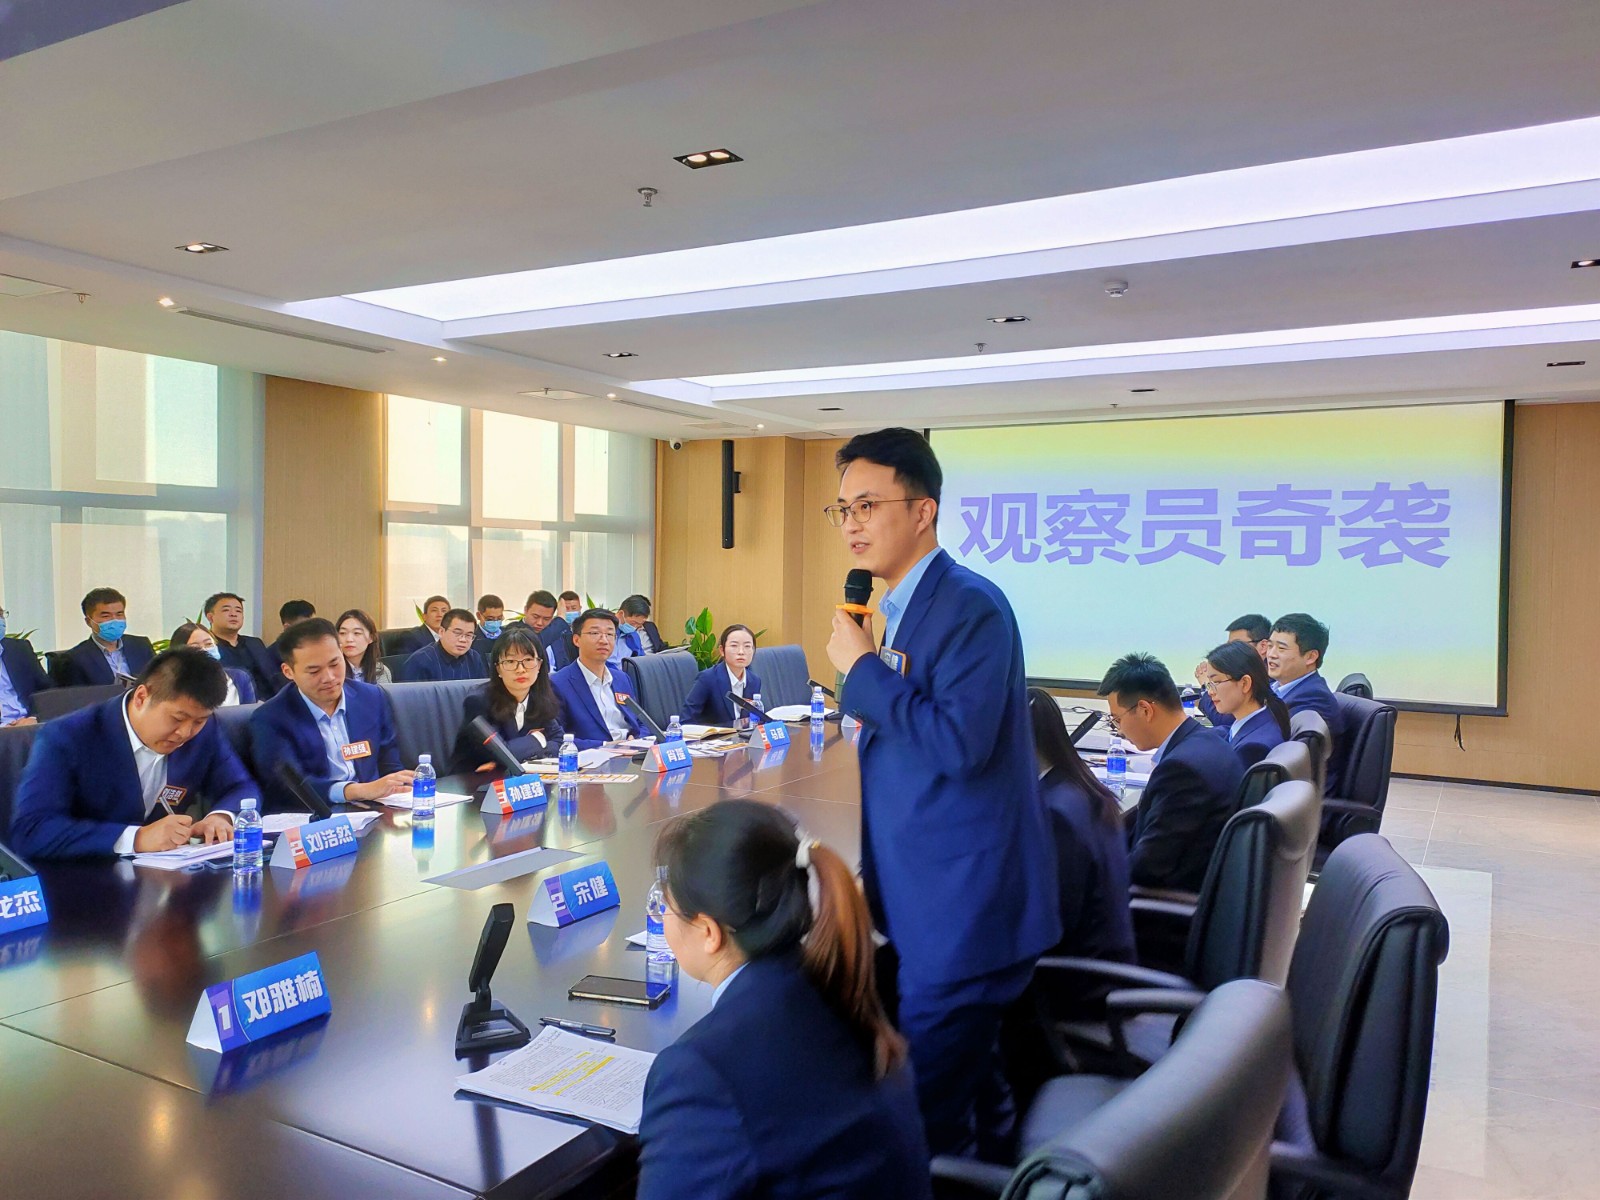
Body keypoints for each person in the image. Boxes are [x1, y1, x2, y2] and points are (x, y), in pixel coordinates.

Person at [823, 427, 1058, 1159]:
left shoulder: (969, 606)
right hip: (926, 896)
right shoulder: (899, 605)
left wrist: (862, 671)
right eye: (843, 509)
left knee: (923, 1125)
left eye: (868, 505)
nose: (853, 523)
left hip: (961, 909)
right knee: (978, 1091)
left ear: (922, 511)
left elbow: (959, 744)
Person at [637, 801, 932, 1200]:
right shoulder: (834, 987)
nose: (662, 918)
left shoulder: (701, 1073)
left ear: (708, 931)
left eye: (666, 907)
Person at [10, 648, 256, 860]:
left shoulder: (204, 732)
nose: (185, 732)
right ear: (141, 697)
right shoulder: (67, 737)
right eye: (177, 718)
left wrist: (221, 817)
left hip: (166, 878)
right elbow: (31, 831)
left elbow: (240, 786)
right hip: (85, 879)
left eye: (199, 721)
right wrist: (135, 838)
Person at [1098, 652, 1244, 893]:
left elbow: (1147, 868)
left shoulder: (1182, 770)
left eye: (1117, 720)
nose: (1119, 730)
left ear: (1145, 710)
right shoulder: (1210, 740)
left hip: (1169, 904)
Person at [250, 618, 412, 811]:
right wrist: (355, 791)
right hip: (315, 815)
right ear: (288, 672)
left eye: (335, 664)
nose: (329, 677)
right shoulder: (271, 718)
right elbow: (287, 787)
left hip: (374, 809)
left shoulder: (371, 698)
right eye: (314, 671)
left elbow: (390, 765)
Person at [1026, 689, 1135, 966]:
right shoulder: (1080, 787)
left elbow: (1056, 925)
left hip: (1078, 977)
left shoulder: (1055, 814)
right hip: (1105, 959)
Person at [451, 627, 565, 774]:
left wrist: (535, 749)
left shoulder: (539, 698)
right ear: (498, 669)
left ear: (539, 665)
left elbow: (560, 741)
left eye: (528, 660)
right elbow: (502, 754)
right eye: (511, 661)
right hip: (474, 779)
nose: (521, 669)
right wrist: (538, 739)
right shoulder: (478, 701)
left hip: (518, 778)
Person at [1264, 612, 1346, 794]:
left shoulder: (1313, 698)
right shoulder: (1276, 686)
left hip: (1290, 794)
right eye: (1270, 646)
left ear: (1310, 657)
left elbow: (1270, 744)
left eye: (1281, 648)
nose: (1271, 654)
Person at [549, 608, 648, 748]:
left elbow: (641, 722)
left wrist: (636, 739)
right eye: (595, 633)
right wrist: (607, 746)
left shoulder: (622, 678)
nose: (604, 640)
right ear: (576, 640)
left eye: (610, 634)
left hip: (633, 751)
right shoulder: (559, 683)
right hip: (594, 756)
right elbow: (557, 738)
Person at [1202, 640, 1290, 768]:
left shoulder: (1252, 748)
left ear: (1245, 683)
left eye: (1216, 682)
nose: (1210, 692)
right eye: (1209, 684)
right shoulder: (1263, 719)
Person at [61, 587, 155, 686]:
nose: (114, 620)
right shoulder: (76, 659)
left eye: (119, 614)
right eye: (106, 616)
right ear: (88, 621)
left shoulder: (141, 645)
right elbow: (77, 694)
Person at [1194, 613, 1272, 727]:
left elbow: (1225, 721)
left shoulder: (1270, 677)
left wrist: (1206, 685)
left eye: (1237, 644)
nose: (1231, 651)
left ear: (1263, 646)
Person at [204, 591, 285, 698]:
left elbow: (273, 676)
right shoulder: (207, 647)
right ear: (210, 617)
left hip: (268, 702)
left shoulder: (255, 643)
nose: (233, 614)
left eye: (238, 611)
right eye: (226, 610)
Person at [682, 625, 761, 726]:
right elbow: (687, 720)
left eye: (747, 646)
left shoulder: (754, 681)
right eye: (734, 646)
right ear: (722, 650)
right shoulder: (707, 679)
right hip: (714, 735)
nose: (741, 652)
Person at [170, 623, 255, 704]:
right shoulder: (173, 686)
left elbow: (250, 712)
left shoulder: (240, 678)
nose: (204, 650)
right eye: (195, 647)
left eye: (209, 644)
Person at [398, 608, 486, 682]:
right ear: (441, 632)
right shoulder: (420, 661)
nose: (463, 640)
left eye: (469, 635)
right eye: (457, 633)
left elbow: (482, 692)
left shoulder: (474, 658)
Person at [0, 604, 52, 724]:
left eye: (0, 615)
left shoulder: (20, 649)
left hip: (30, 723)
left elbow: (47, 690)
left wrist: (34, 718)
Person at [336, 609, 391, 684]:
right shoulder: (332, 671)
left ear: (371, 638)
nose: (349, 639)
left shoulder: (381, 671)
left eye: (357, 633)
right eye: (342, 633)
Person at [517, 589, 563, 672]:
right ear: (526, 610)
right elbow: (536, 642)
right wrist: (561, 618)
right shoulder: (514, 631)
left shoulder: (554, 633)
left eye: (546, 619)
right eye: (535, 617)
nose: (540, 623)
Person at [472, 593, 507, 660]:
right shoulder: (472, 638)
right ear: (479, 615)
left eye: (499, 618)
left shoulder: (508, 635)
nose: (495, 622)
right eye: (490, 619)